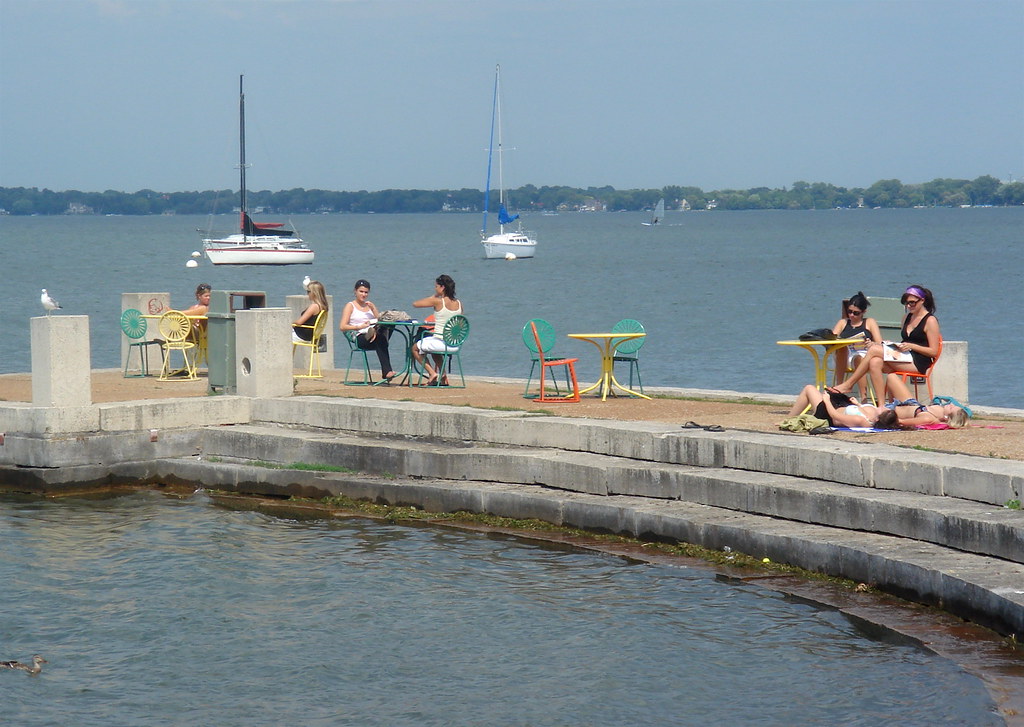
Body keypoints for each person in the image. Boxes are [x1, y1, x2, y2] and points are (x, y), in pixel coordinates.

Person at [833, 285, 941, 404]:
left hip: (918, 362)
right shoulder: (907, 317)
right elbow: (906, 340)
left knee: (874, 349)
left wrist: (912, 346)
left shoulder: (930, 320)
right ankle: (882, 406)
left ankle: (848, 385)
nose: (909, 306)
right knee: (875, 362)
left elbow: (933, 352)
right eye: (906, 303)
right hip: (905, 356)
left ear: (922, 300)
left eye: (912, 303)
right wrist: (892, 345)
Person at [339, 279, 395, 381]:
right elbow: (342, 327)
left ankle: (387, 372)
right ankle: (387, 372)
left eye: (366, 292)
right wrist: (359, 327)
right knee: (381, 339)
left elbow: (379, 320)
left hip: (375, 336)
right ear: (355, 291)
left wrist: (374, 309)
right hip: (359, 336)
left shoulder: (369, 306)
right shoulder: (350, 306)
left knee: (388, 324)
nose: (364, 294)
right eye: (361, 291)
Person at [412, 274, 463, 386]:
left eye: (436, 287)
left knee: (415, 348)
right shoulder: (459, 304)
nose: (435, 289)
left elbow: (415, 304)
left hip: (442, 342)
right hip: (455, 344)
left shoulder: (438, 301)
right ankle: (443, 375)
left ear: (442, 287)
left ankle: (432, 373)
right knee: (434, 350)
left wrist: (434, 296)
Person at [788, 385, 899, 429]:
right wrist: (857, 404)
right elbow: (863, 410)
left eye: (886, 408)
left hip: (828, 413)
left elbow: (834, 416)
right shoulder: (874, 412)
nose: (886, 406)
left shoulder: (862, 420)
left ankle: (788, 419)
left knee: (809, 389)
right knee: (834, 392)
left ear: (880, 416)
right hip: (842, 405)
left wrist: (827, 401)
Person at [831, 291, 882, 387]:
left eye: (856, 313)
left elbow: (879, 343)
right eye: (849, 311)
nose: (851, 315)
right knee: (842, 348)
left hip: (864, 355)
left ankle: (863, 395)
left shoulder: (869, 322)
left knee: (858, 358)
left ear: (863, 312)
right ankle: (839, 387)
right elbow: (831, 339)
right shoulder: (842, 323)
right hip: (844, 356)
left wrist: (872, 343)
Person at [884, 373, 971, 429]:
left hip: (893, 411)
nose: (951, 404)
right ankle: (886, 403)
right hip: (912, 404)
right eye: (954, 405)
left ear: (947, 417)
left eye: (951, 408)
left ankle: (885, 405)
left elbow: (900, 422)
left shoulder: (928, 419)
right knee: (892, 376)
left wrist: (888, 413)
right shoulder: (940, 409)